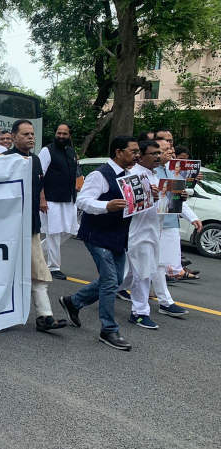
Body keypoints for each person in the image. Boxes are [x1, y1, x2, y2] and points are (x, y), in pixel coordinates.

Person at [59, 136, 139, 351]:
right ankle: (108, 329)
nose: (136, 155)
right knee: (111, 281)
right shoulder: (100, 175)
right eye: (133, 151)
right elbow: (83, 201)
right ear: (118, 152)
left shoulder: (129, 176)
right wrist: (107, 206)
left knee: (114, 279)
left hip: (118, 235)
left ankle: (73, 302)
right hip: (97, 234)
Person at [2, 120, 67, 332]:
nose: (31, 137)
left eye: (32, 134)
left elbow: (38, 185)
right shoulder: (3, 160)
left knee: (38, 271)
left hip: (31, 226)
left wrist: (42, 199)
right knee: (4, 274)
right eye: (25, 134)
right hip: (6, 229)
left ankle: (44, 316)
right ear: (13, 137)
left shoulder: (36, 160)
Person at [123, 140, 188, 329]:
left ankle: (79, 299)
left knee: (129, 275)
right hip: (138, 232)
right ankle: (140, 313)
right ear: (141, 156)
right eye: (153, 154)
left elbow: (164, 207)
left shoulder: (153, 176)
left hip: (154, 231)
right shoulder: (133, 175)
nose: (158, 157)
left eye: (159, 154)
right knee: (142, 274)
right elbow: (130, 207)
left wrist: (177, 198)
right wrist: (149, 196)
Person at [154, 134, 201, 280]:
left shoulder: (171, 170)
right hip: (152, 224)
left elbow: (175, 198)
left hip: (168, 221)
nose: (171, 151)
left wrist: (192, 217)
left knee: (160, 265)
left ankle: (164, 300)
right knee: (146, 264)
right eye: (166, 148)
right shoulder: (149, 170)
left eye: (171, 147)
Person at [39, 124, 79, 280]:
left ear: (69, 135)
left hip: (69, 199)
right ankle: (53, 267)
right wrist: (41, 198)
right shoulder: (46, 151)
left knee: (71, 230)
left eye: (64, 133)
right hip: (51, 199)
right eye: (59, 133)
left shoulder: (71, 151)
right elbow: (39, 175)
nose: (61, 136)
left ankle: (34, 252)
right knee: (53, 233)